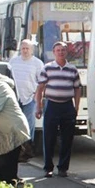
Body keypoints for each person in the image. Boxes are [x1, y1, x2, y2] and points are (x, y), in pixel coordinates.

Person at [35, 41, 81, 178]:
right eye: (58, 50)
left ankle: (63, 168)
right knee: (49, 138)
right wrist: (38, 106)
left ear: (66, 52)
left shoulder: (72, 69)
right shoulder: (47, 68)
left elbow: (77, 89)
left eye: (63, 50)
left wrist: (76, 107)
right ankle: (48, 168)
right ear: (54, 52)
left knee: (67, 139)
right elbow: (40, 88)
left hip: (67, 106)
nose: (61, 52)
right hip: (52, 105)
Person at [8, 39, 44, 160]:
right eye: (23, 48)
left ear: (32, 50)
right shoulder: (13, 62)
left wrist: (37, 96)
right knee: (15, 124)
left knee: (28, 125)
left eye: (27, 48)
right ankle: (16, 150)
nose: (25, 51)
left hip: (30, 98)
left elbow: (41, 82)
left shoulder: (38, 63)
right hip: (15, 98)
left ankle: (27, 150)